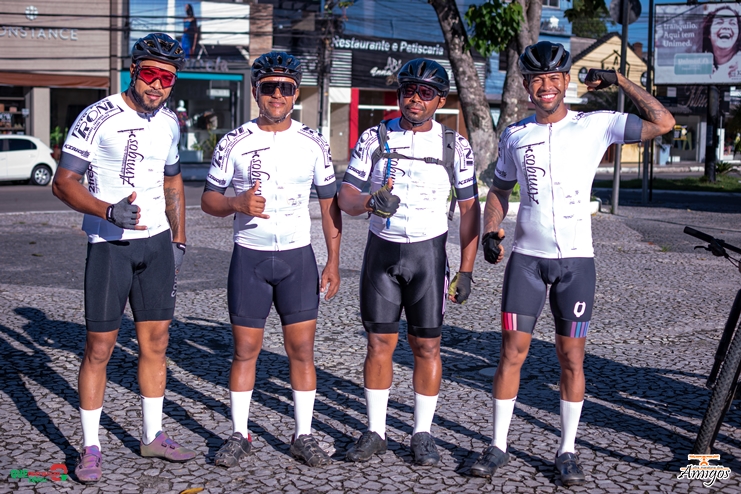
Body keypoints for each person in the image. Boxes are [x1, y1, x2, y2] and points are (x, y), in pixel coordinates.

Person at [470, 41, 675, 485]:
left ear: (566, 81)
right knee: (511, 353)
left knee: (571, 358)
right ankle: (498, 445)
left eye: (553, 78)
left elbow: (664, 122)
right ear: (526, 85)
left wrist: (619, 81)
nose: (545, 86)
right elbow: (499, 189)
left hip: (577, 265)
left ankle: (566, 450)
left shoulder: (596, 124)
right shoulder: (514, 134)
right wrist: (491, 229)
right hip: (526, 262)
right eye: (536, 79)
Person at [51, 33, 194, 483]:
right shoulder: (98, 116)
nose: (158, 85)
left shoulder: (170, 122)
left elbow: (173, 181)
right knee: (100, 347)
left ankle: (152, 436)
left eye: (167, 78)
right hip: (109, 244)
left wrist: (179, 238)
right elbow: (63, 183)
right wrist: (107, 211)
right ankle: (91, 446)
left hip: (157, 245)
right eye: (150, 74)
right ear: (133, 71)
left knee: (157, 344)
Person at [201, 51, 342, 468]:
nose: (277, 94)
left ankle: (303, 434)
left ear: (296, 93)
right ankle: (239, 434)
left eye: (285, 87)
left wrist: (333, 261)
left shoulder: (313, 141)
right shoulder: (234, 141)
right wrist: (236, 203)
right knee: (245, 350)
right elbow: (208, 200)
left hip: (298, 257)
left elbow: (330, 206)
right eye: (269, 87)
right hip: (251, 258)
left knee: (302, 350)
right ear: (255, 91)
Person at [338, 58, 480, 466]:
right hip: (381, 253)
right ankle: (376, 432)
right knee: (378, 343)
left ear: (440, 100)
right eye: (408, 91)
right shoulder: (375, 137)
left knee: (427, 346)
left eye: (425, 93)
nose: (415, 99)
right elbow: (346, 195)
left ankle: (422, 433)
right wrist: (369, 201)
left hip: (428, 256)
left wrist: (466, 270)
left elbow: (470, 209)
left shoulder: (455, 145)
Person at [703, 6, 741, 81]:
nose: (726, 27)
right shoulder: (699, 63)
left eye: (732, 23)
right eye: (719, 22)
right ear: (709, 33)